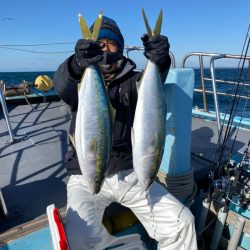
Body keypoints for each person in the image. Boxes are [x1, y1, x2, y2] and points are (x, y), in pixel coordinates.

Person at [53, 16, 197, 250]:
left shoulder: (132, 80)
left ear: (120, 47)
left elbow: (152, 89)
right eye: (99, 43)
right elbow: (62, 85)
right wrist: (76, 65)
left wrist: (160, 63)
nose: (105, 48)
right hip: (85, 173)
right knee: (79, 238)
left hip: (130, 171)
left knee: (182, 223)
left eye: (111, 44)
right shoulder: (80, 79)